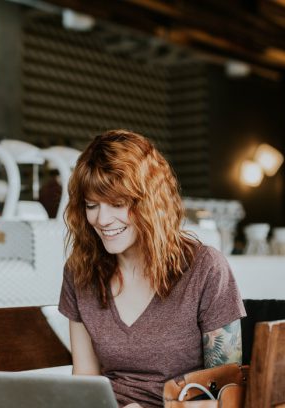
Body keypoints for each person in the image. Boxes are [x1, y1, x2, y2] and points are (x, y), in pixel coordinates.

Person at [58, 129, 246, 408]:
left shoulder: (205, 268)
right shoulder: (80, 272)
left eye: (118, 204)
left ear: (150, 202)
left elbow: (228, 394)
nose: (102, 219)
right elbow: (85, 382)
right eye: (91, 205)